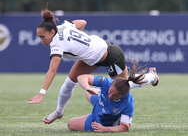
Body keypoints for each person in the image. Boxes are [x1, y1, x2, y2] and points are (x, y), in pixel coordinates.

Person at [29, 9, 159, 124]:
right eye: (39, 36)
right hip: (93, 56)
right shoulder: (63, 26)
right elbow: (83, 22)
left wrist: (42, 93)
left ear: (52, 32)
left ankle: (152, 77)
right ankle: (58, 112)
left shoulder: (56, 44)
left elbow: (52, 70)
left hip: (111, 55)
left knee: (124, 85)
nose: (41, 40)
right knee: (69, 83)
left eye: (42, 36)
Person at [68, 61, 159, 132]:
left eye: (115, 95)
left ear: (122, 95)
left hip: (105, 121)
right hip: (101, 101)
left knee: (70, 124)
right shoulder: (106, 82)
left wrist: (105, 129)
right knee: (88, 93)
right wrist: (88, 87)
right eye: (110, 91)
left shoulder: (128, 102)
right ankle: (152, 76)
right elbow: (81, 77)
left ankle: (152, 76)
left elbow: (125, 128)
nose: (110, 96)